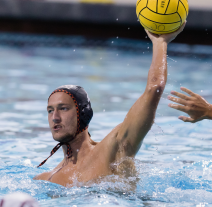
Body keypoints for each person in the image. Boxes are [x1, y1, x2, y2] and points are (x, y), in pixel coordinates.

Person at [34, 24, 185, 187]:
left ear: (82, 114)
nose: (55, 118)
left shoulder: (115, 149)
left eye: (63, 108)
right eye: (50, 111)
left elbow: (154, 88)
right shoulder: (45, 179)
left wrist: (160, 42)